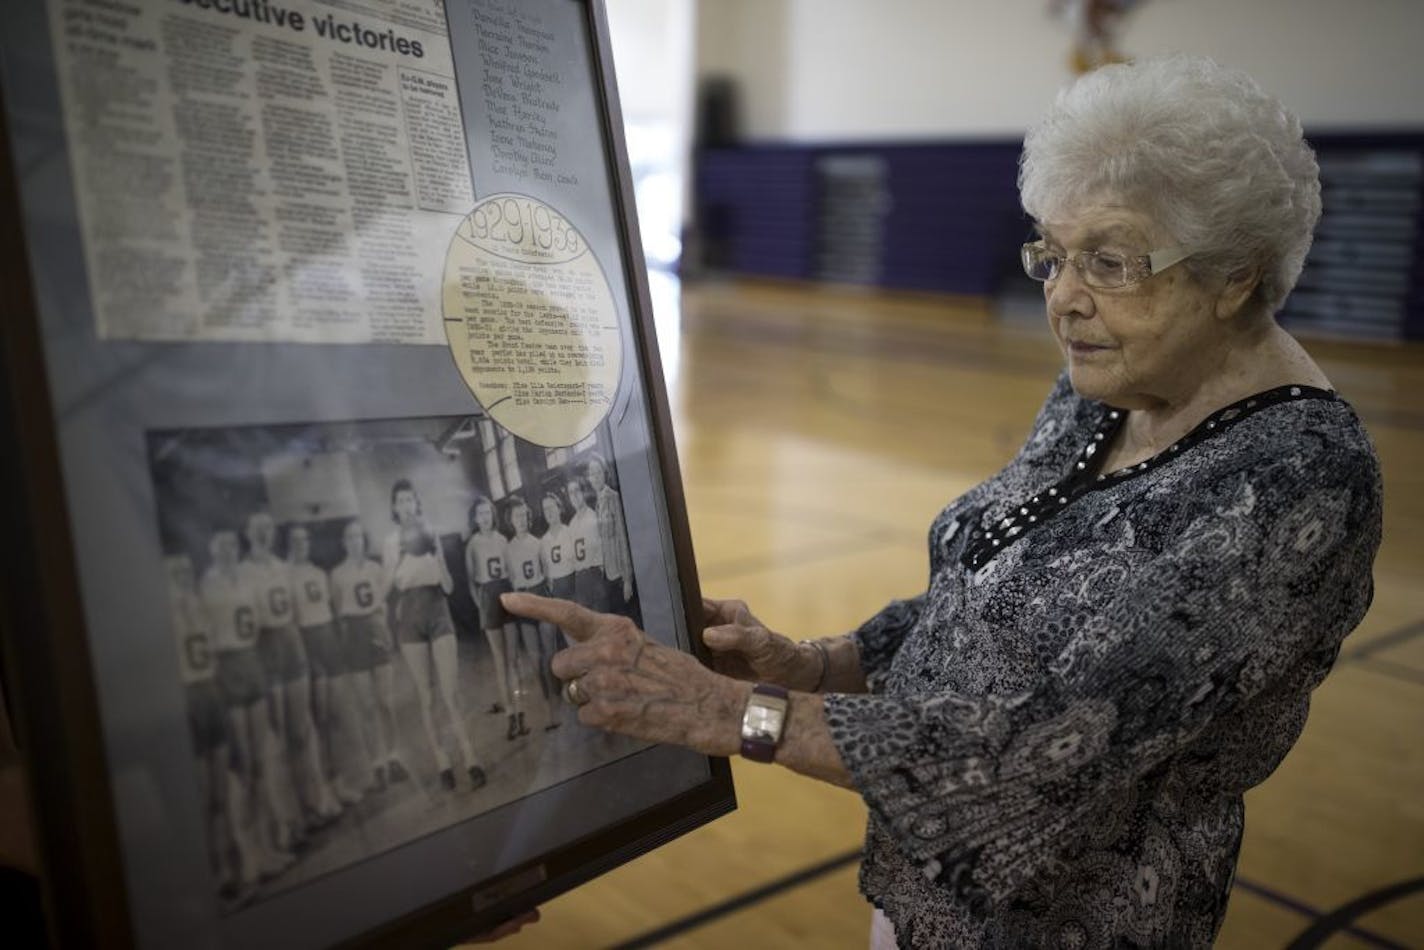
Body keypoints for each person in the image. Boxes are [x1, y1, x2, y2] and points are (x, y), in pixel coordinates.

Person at [504, 56, 1383, 948]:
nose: (1065, 300)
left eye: (1110, 262)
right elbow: (988, 592)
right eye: (1053, 254)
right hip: (930, 899)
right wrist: (810, 663)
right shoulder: (1109, 381)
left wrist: (721, 711)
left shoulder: (1294, 477)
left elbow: (1039, 753)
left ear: (1234, 274)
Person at [382, 479, 486, 791]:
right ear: (394, 508)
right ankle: (442, 760)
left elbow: (450, 587)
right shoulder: (390, 542)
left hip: (438, 610)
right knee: (426, 695)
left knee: (450, 691)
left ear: (416, 504)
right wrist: (401, 556)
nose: (406, 506)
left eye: (410, 500)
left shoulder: (431, 534)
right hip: (410, 615)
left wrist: (436, 554)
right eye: (400, 501)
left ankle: (470, 757)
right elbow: (387, 588)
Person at [288, 524, 365, 805]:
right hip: (306, 648)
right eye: (296, 541)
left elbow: (330, 613)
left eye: (305, 540)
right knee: (314, 724)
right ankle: (319, 792)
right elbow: (293, 622)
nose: (301, 545)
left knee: (334, 720)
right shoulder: (287, 576)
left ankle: (337, 783)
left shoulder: (319, 574)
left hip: (327, 643)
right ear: (289, 544)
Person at [330, 518, 406, 790]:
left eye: (358, 536)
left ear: (364, 540)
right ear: (344, 542)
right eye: (349, 537)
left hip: (377, 635)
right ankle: (378, 761)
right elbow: (339, 614)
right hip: (354, 638)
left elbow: (384, 606)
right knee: (366, 705)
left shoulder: (375, 569)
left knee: (385, 701)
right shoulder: (337, 575)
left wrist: (384, 633)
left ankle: (395, 755)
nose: (355, 541)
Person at [465, 496, 527, 741]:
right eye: (479, 514)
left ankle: (521, 713)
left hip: (506, 595)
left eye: (487, 513)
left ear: (492, 514)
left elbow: (512, 573)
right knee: (500, 662)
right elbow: (471, 581)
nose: (484, 517)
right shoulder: (472, 544)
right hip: (488, 598)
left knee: (513, 660)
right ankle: (509, 716)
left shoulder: (503, 540)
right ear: (475, 518)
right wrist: (478, 603)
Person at [503, 497, 560, 729]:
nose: (522, 520)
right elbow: (510, 579)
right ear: (511, 521)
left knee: (550, 653)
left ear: (528, 517)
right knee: (536, 660)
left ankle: (560, 700)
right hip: (524, 602)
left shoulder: (538, 543)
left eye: (524, 516)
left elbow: (548, 574)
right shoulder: (508, 549)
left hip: (541, 595)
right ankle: (549, 711)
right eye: (517, 517)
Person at [585, 455, 635, 618]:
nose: (596, 477)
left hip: (618, 574)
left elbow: (622, 537)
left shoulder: (613, 497)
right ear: (589, 478)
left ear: (605, 474)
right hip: (605, 575)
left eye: (598, 472)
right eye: (592, 473)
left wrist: (627, 578)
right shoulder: (596, 503)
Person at [563, 476, 607, 613]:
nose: (574, 495)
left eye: (577, 491)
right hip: (580, 580)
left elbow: (603, 548)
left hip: (595, 575)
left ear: (584, 492)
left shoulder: (593, 517)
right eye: (571, 493)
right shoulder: (571, 524)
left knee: (601, 623)